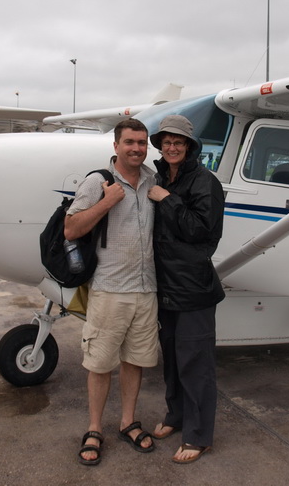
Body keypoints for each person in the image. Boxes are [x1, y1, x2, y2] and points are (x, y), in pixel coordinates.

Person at [65, 118, 159, 466]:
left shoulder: (153, 180)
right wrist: (106, 202)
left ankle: (127, 422)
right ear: (116, 146)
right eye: (130, 142)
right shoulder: (98, 181)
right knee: (100, 364)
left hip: (146, 288)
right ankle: (94, 428)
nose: (136, 148)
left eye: (142, 142)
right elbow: (71, 228)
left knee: (135, 360)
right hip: (109, 289)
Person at [146, 115, 225, 464]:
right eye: (166, 141)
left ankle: (198, 435)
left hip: (193, 289)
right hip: (164, 287)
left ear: (190, 146)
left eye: (179, 142)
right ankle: (176, 417)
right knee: (173, 362)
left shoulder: (205, 182)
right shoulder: (161, 177)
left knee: (196, 364)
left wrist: (167, 200)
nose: (172, 146)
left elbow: (199, 230)